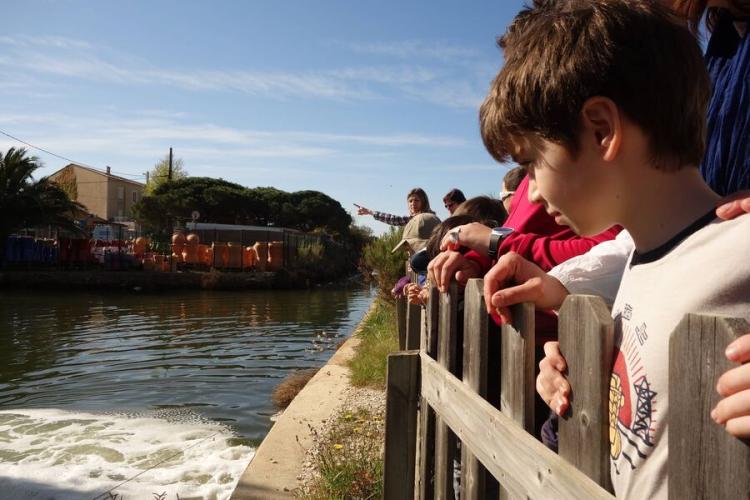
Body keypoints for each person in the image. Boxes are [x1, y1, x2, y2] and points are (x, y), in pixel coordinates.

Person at [478, 1, 750, 498]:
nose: (533, 192)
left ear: (602, 129)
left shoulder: (740, 248)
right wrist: (587, 368)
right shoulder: (640, 260)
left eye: (533, 161)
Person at [356, 187, 433, 226]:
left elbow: (395, 219)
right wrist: (370, 212)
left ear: (423, 202)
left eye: (416, 200)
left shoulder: (427, 218)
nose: (413, 203)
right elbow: (393, 219)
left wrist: (370, 212)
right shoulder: (413, 219)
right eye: (410, 201)